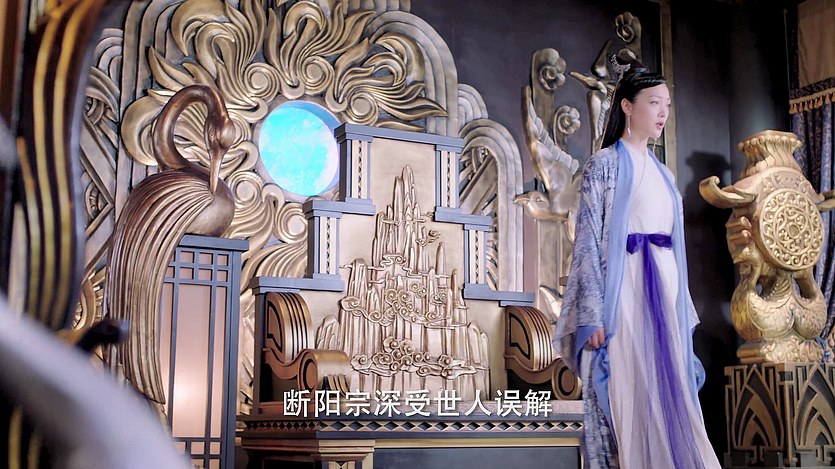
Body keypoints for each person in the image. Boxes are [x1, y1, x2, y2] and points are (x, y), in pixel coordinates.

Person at [553, 56, 721, 469]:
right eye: (653, 103)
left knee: (671, 392)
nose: (662, 112)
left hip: (664, 290)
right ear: (627, 106)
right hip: (625, 293)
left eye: (667, 104)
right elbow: (587, 241)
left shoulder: (665, 176)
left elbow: (676, 254)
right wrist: (591, 314)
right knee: (628, 388)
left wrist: (681, 311)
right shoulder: (604, 165)